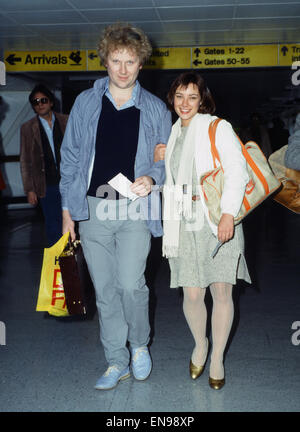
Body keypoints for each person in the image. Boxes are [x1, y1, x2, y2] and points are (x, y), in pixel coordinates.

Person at [60, 22, 172, 390]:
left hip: (135, 208)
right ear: (105, 62)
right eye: (116, 60)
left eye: (130, 61)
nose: (123, 69)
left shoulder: (155, 108)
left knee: (130, 284)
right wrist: (68, 211)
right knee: (105, 289)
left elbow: (165, 160)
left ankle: (139, 345)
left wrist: (153, 178)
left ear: (142, 64)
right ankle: (115, 360)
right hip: (93, 208)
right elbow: (71, 157)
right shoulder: (86, 103)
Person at [155, 72, 251, 390]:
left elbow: (238, 170)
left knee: (221, 291)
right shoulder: (172, 135)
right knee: (192, 293)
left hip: (216, 217)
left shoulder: (216, 127)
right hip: (183, 221)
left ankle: (218, 358)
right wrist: (163, 155)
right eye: (179, 96)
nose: (185, 103)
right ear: (172, 98)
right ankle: (200, 343)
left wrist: (228, 214)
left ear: (202, 100)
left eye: (192, 97)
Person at [20, 84, 68, 246]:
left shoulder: (67, 121)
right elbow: (25, 161)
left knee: (72, 220)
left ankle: (74, 260)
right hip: (46, 185)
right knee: (53, 224)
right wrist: (30, 190)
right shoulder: (27, 128)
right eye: (35, 102)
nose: (40, 104)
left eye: (43, 100)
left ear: (51, 102)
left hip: (69, 182)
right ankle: (57, 263)